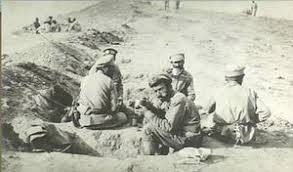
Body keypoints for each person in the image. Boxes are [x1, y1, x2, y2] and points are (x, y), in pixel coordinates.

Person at [204, 65, 271, 145]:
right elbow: (266, 112)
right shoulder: (250, 92)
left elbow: (207, 110)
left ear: (226, 78)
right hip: (246, 135)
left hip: (222, 134)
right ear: (242, 77)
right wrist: (252, 120)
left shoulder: (218, 91)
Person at [140, 74, 201, 155]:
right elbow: (165, 115)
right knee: (156, 123)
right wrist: (149, 107)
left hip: (189, 139)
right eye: (155, 91)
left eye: (161, 89)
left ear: (169, 86)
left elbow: (168, 127)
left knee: (148, 129)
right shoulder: (169, 97)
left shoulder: (178, 99)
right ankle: (161, 154)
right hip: (183, 134)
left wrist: (147, 113)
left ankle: (149, 161)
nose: (158, 94)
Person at [76, 55, 128, 129]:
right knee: (123, 116)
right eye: (110, 68)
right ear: (105, 68)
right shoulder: (108, 81)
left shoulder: (84, 79)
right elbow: (113, 108)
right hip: (100, 121)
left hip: (84, 120)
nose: (111, 70)